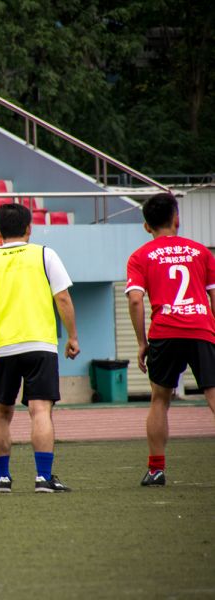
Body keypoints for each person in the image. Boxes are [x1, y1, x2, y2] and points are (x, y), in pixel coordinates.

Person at [0, 203, 80, 493]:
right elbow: (63, 298)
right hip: (40, 343)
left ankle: (2, 478)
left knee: (0, 412)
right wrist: (72, 336)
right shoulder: (45, 254)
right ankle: (43, 477)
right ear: (29, 228)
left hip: (2, 347)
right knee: (40, 410)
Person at [125, 192, 215, 487]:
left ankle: (155, 469)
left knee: (160, 400)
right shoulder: (201, 252)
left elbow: (136, 300)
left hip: (164, 330)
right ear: (177, 219)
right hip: (201, 326)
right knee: (212, 394)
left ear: (146, 226)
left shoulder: (140, 257)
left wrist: (141, 342)